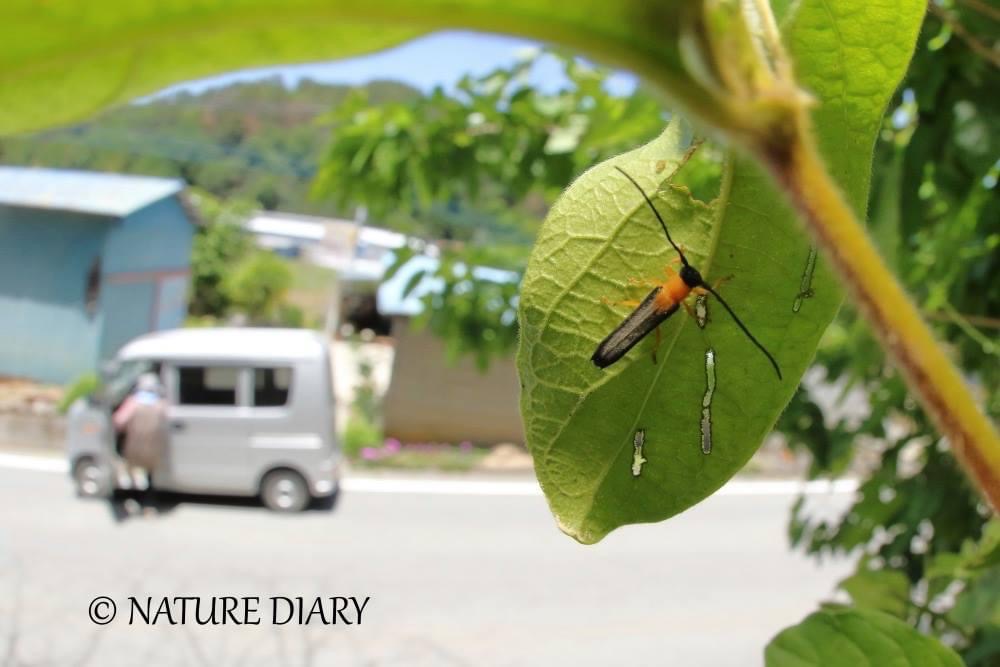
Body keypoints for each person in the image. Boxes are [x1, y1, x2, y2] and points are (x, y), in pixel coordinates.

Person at [112, 372, 168, 498]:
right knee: (149, 476)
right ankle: (148, 501)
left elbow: (119, 421)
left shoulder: (133, 402)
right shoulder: (160, 404)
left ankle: (132, 497)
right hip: (153, 449)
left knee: (131, 472)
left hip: (134, 448)